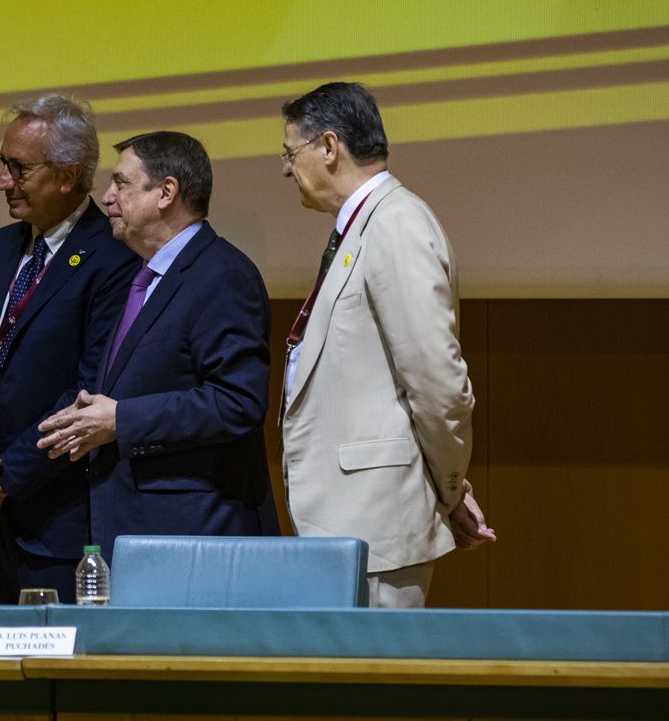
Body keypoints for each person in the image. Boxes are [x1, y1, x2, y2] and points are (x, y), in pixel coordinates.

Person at [278, 82, 495, 608]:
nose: (287, 169)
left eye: (291, 152)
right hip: (349, 522)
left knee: (372, 688)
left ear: (329, 147)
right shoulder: (361, 226)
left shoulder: (396, 222)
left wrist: (448, 488)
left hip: (377, 525)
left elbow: (438, 382)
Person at [0, 94, 138, 603]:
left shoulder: (114, 257)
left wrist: (5, 477)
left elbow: (88, 391)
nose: (3, 181)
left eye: (18, 169)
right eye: (3, 165)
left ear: (68, 175)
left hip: (56, 523)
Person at [37, 131, 278, 561]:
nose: (107, 198)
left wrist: (122, 419)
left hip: (198, 537)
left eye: (122, 184)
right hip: (135, 531)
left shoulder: (222, 275)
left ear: (167, 191)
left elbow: (237, 402)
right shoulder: (143, 276)